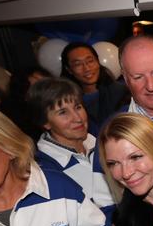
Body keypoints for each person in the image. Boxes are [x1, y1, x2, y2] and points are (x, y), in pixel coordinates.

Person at [26, 77, 114, 213]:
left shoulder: (105, 142)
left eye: (78, 107)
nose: (78, 118)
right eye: (63, 112)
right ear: (45, 122)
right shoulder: (44, 169)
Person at [60, 42, 129, 130]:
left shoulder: (121, 93)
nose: (87, 68)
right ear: (69, 69)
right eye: (78, 64)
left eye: (90, 61)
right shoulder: (67, 102)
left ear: (98, 61)